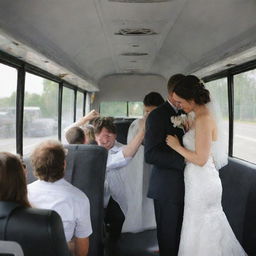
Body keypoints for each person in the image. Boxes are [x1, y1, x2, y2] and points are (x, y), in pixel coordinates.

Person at [166, 75, 246, 255]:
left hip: (202, 182)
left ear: (190, 98)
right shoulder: (197, 116)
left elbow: (201, 159)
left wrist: (177, 146)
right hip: (198, 180)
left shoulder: (203, 118)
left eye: (179, 101)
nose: (179, 106)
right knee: (197, 227)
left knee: (202, 228)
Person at [144, 74, 186, 256]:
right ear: (172, 93)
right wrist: (184, 161)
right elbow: (150, 154)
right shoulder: (157, 116)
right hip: (167, 188)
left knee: (183, 237)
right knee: (169, 239)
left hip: (189, 186)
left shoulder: (189, 113)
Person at [27, 140, 92, 256]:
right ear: (64, 165)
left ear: (35, 165)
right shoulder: (79, 198)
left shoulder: (22, 193)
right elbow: (82, 245)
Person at [92, 116, 145, 241]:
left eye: (109, 135)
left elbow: (124, 157)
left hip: (120, 197)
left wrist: (143, 131)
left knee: (117, 220)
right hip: (99, 197)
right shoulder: (91, 151)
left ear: (115, 135)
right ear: (95, 137)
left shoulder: (125, 149)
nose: (105, 140)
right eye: (100, 136)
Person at [121, 91, 164, 232]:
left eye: (152, 111)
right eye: (146, 111)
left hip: (155, 163)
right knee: (138, 187)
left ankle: (153, 222)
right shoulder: (136, 125)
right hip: (138, 161)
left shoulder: (164, 123)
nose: (149, 114)